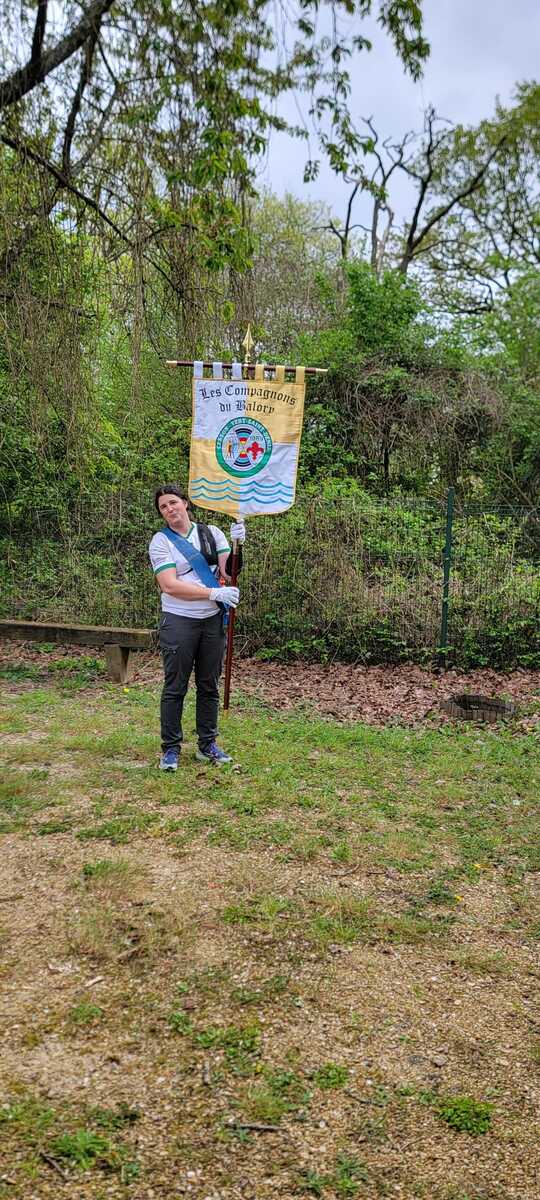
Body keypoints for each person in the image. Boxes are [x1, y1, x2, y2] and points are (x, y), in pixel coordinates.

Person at [149, 484, 246, 770]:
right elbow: (169, 585)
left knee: (208, 685)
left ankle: (208, 745)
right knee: (175, 686)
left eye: (173, 502)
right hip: (179, 620)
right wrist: (213, 593)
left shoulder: (211, 533)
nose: (170, 509)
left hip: (212, 621)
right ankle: (170, 749)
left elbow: (229, 571)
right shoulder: (161, 541)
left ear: (185, 503)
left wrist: (239, 545)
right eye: (163, 507)